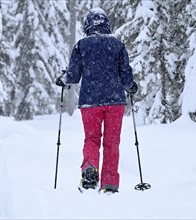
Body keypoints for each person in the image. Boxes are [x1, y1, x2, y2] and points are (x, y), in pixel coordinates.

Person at [56, 8, 138, 193]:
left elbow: (73, 76)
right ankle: (109, 183)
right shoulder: (117, 45)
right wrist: (131, 86)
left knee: (92, 139)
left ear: (87, 25)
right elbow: (126, 75)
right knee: (112, 141)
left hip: (90, 102)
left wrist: (63, 80)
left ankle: (90, 170)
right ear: (106, 24)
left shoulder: (82, 45)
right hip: (115, 101)